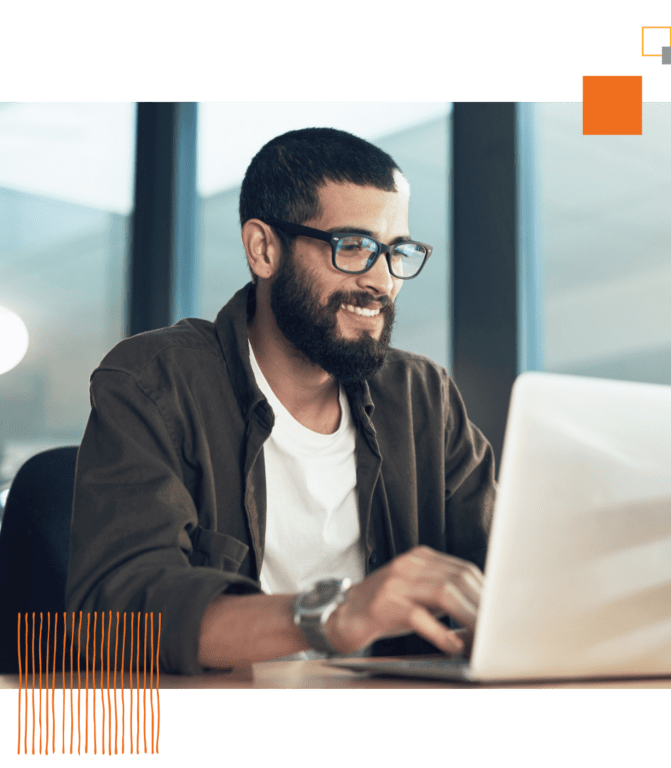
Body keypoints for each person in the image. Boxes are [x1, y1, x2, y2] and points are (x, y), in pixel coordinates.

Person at [66, 127, 496, 674]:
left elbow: (508, 568)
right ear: (264, 249)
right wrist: (331, 615)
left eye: (396, 251)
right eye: (354, 247)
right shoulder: (154, 381)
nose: (383, 281)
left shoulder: (422, 398)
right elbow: (117, 614)